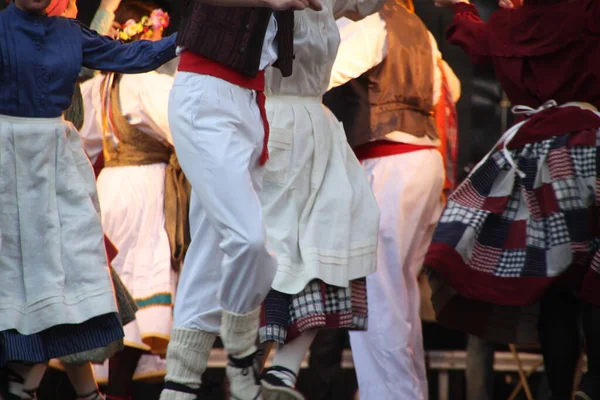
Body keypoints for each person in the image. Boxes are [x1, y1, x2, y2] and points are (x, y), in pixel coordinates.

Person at [0, 0, 177, 398]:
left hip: (60, 170)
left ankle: (39, 385)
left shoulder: (69, 34)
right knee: (23, 279)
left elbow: (130, 55)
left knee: (69, 272)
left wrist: (193, 38)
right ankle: (34, 382)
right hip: (9, 168)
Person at [425, 0, 600, 398]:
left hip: (534, 159)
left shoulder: (508, 26)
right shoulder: (587, 14)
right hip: (589, 147)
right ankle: (594, 381)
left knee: (556, 286)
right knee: (594, 274)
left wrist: (462, 6)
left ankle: (561, 390)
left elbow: (468, 36)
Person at [159, 0, 324, 398]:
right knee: (248, 241)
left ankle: (178, 388)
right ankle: (241, 355)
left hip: (248, 103)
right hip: (205, 96)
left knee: (211, 253)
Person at [323, 1, 460, 397]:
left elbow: (324, 72)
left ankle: (391, 394)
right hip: (423, 163)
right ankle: (407, 390)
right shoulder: (420, 31)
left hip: (388, 165)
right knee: (399, 292)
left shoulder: (372, 25)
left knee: (375, 293)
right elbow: (452, 88)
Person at [255, 0, 386, 396]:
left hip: (318, 131)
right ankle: (247, 368)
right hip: (268, 125)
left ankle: (284, 369)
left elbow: (367, 5)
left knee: (328, 243)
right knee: (269, 253)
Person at [79, 2, 186, 398]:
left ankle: (107, 390)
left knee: (119, 292)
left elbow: (85, 136)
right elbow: (183, 127)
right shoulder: (145, 82)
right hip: (145, 191)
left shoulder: (101, 85)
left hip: (109, 190)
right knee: (138, 296)